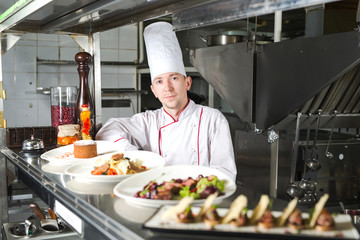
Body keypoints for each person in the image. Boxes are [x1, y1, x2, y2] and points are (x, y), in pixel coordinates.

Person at [95, 21, 237, 181]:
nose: (167, 88)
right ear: (154, 90)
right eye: (159, 81)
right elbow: (106, 132)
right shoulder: (149, 121)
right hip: (158, 195)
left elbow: (225, 173)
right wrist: (133, 154)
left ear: (188, 83)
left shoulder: (212, 119)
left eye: (174, 78)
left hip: (201, 199)